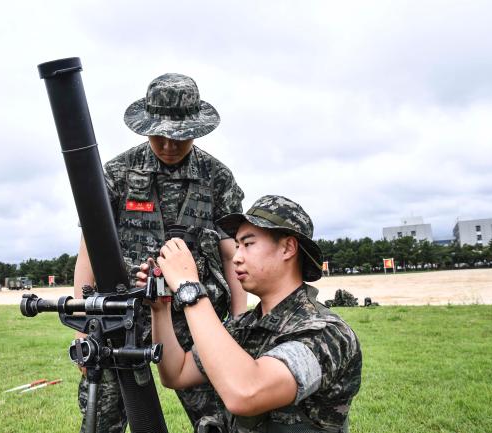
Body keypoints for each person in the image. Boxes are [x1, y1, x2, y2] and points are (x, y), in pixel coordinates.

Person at [74, 72, 248, 432]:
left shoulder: (217, 178)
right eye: (159, 135)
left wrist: (239, 318)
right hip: (123, 316)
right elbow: (89, 252)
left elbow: (232, 254)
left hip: (196, 313)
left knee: (219, 420)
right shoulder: (118, 174)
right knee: (102, 419)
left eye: (179, 137)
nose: (168, 144)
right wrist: (83, 325)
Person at [143, 195, 362, 433]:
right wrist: (161, 307)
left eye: (248, 244)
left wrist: (189, 287)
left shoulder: (327, 332)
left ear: (288, 248)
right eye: (237, 246)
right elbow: (176, 373)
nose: (236, 257)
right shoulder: (244, 327)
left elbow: (246, 393)